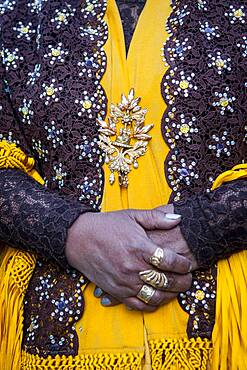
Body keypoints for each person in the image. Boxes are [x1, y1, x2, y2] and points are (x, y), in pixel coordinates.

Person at [0, 0, 246, 369]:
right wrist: (70, 232)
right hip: (54, 336)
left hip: (227, 334)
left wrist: (205, 227)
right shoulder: (15, 16)